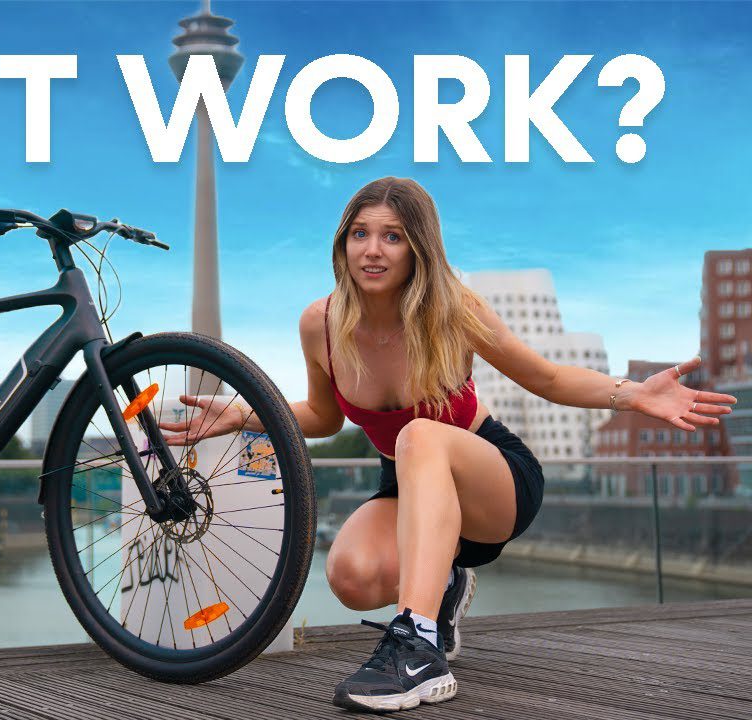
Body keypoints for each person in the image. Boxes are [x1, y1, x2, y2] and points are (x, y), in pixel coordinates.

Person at [157, 176, 735, 713]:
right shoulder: (321, 324)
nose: (372, 251)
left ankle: (418, 649)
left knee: (419, 436)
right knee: (351, 576)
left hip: (491, 478)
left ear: (419, 249)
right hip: (411, 485)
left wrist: (633, 395)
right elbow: (325, 417)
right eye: (360, 234)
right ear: (342, 243)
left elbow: (550, 379)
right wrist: (242, 415)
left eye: (393, 237)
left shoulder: (452, 311)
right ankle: (446, 584)